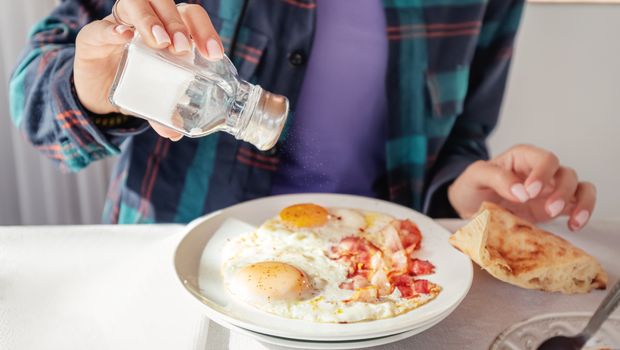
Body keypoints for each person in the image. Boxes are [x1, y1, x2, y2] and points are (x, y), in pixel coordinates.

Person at [9, 0, 595, 230]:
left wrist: (466, 190)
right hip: (175, 264)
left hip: (372, 274)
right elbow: (37, 115)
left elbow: (463, 135)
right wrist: (93, 87)